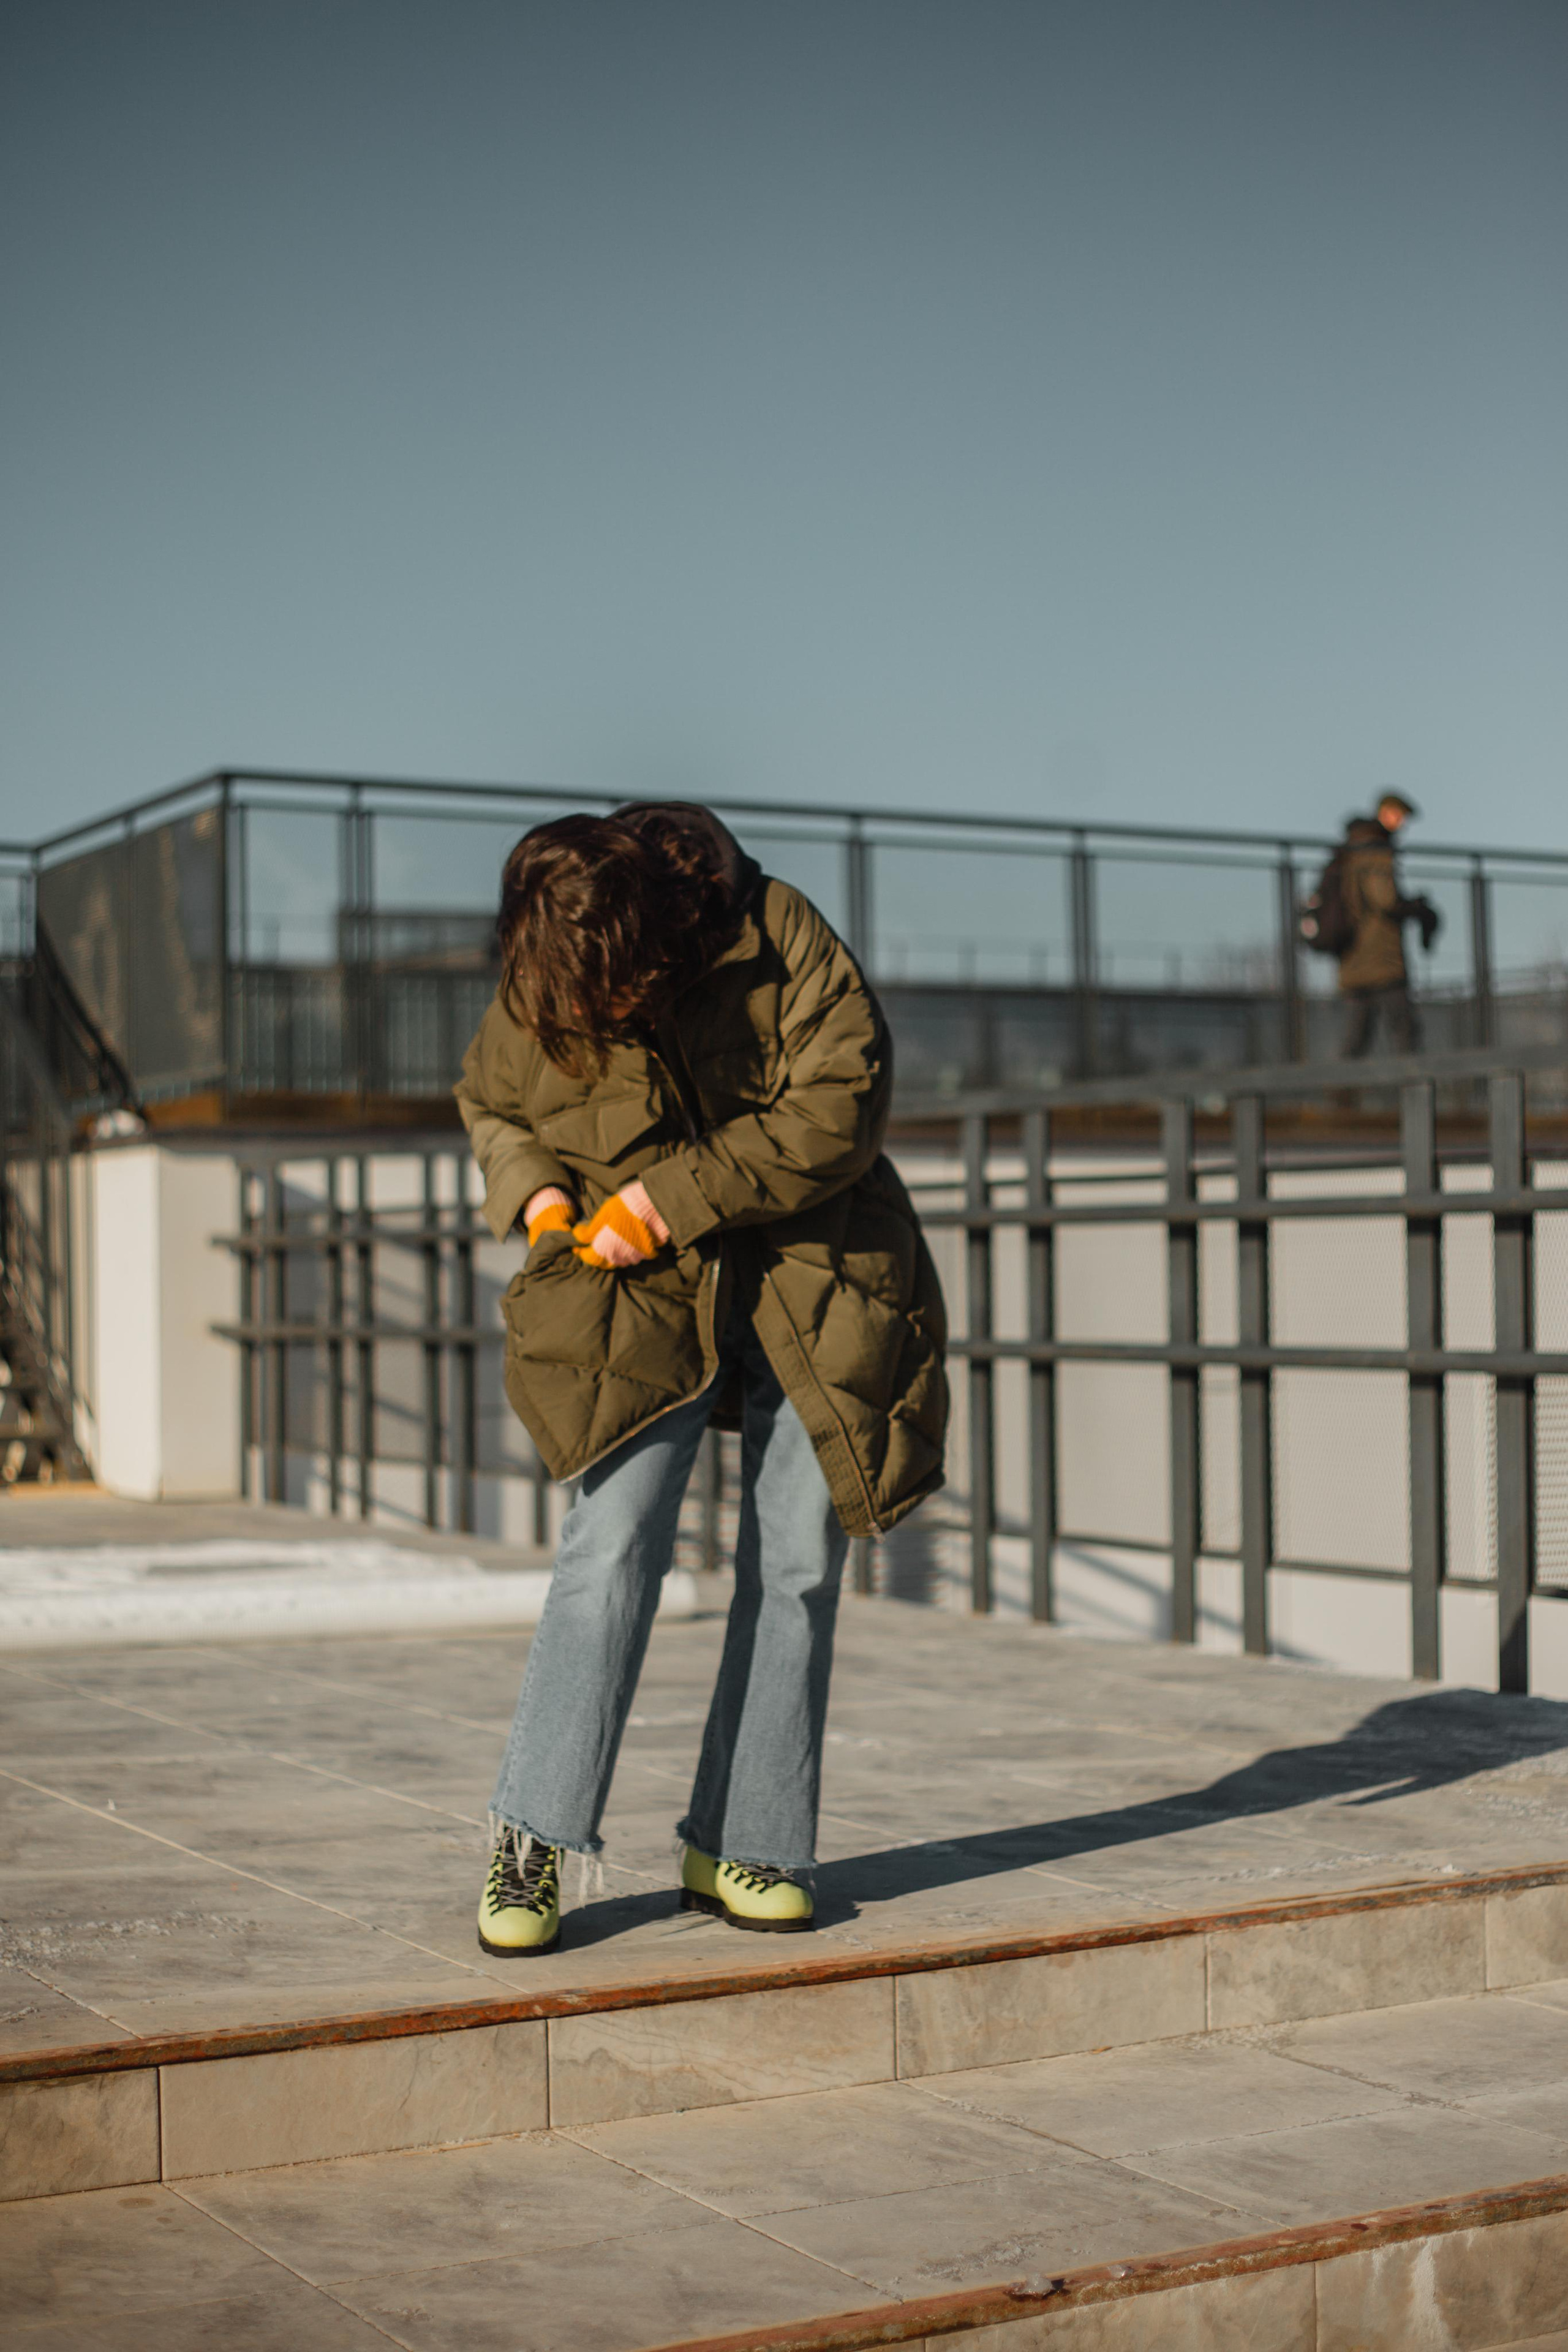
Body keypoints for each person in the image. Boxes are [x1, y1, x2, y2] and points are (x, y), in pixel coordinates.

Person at [456, 803, 949, 1953]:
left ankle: (749, 1839)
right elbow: (494, 1099)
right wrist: (540, 1199)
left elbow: (843, 1103)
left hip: (818, 1270)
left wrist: (667, 1200)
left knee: (797, 1562)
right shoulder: (549, 948)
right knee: (611, 1544)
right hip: (632, 1284)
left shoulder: (777, 931)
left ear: (650, 943)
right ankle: (531, 1839)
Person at [1337, 792, 1439, 1057]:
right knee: (1405, 1031)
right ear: (1384, 812)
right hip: (1381, 958)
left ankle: (1341, 1085)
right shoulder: (1375, 848)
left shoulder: (1353, 847)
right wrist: (1416, 908)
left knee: (1357, 1037)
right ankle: (1413, 1083)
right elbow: (1386, 900)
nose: (1401, 823)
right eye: (1399, 816)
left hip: (1353, 957)